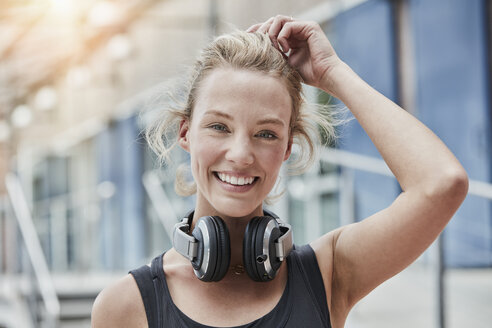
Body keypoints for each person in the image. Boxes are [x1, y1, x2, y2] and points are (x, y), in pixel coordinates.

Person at [91, 15, 468, 328]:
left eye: (266, 133)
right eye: (219, 127)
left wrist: (332, 73)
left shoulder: (328, 275)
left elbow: (441, 184)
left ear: (288, 147)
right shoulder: (125, 307)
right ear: (186, 133)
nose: (240, 154)